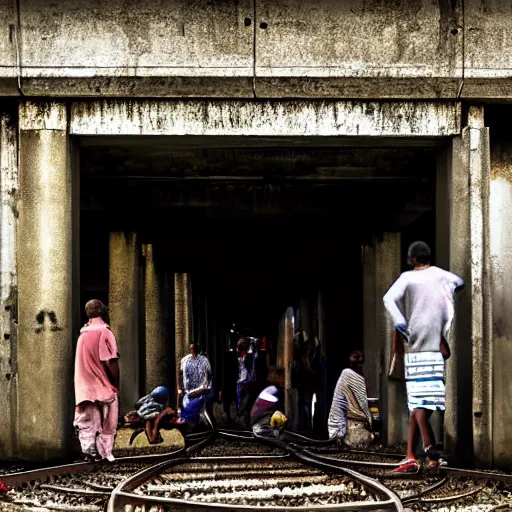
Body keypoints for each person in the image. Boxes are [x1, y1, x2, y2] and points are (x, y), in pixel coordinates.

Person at [383, 241, 464, 473]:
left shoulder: (407, 279)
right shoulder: (439, 275)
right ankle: (411, 454)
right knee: (420, 406)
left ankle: (429, 451)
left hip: (416, 350)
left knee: (418, 403)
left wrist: (400, 320)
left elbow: (388, 299)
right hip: (435, 351)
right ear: (428, 257)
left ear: (410, 259)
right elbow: (459, 282)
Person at [73, 299, 119, 462]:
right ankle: (105, 453)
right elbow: (111, 361)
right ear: (102, 310)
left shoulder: (82, 335)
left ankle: (88, 450)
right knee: (108, 422)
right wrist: (116, 384)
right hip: (104, 386)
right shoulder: (105, 332)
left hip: (84, 387)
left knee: (87, 420)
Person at [328, 350, 373, 447]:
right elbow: (363, 403)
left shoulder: (347, 375)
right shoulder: (348, 375)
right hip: (341, 426)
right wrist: (370, 421)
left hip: (336, 426)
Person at [179, 342, 212, 424]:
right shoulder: (185, 360)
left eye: (195, 348)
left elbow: (209, 374)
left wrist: (206, 387)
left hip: (200, 391)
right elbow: (180, 374)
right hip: (188, 391)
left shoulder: (204, 360)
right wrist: (180, 387)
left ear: (198, 349)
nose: (193, 350)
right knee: (188, 409)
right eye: (191, 348)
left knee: (198, 410)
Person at [236, 337, 257, 424]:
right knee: (247, 402)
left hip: (242, 383)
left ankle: (242, 416)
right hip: (247, 382)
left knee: (244, 402)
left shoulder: (244, 358)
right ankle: (244, 417)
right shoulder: (249, 357)